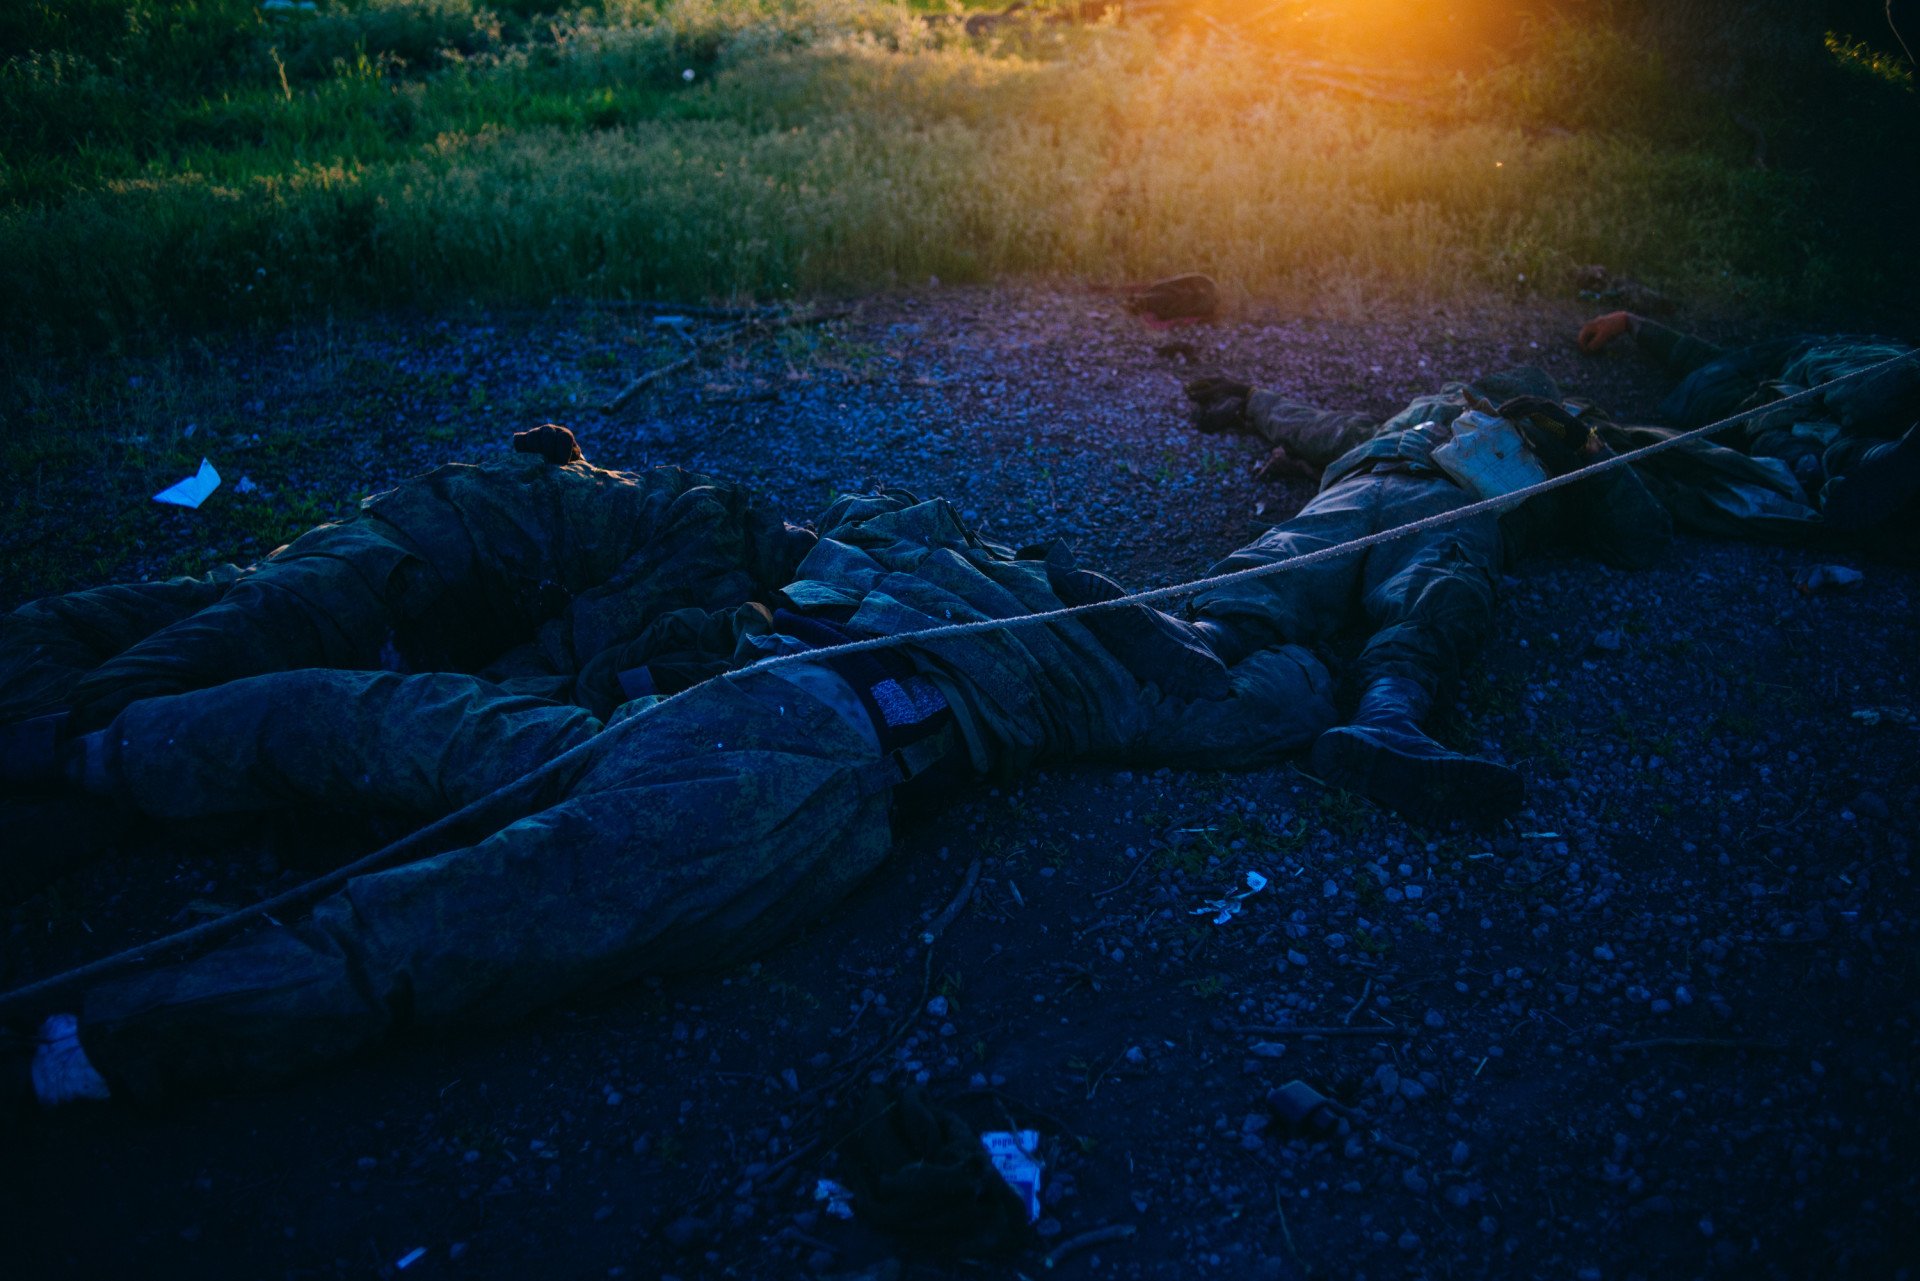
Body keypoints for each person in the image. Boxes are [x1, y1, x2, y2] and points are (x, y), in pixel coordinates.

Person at [5, 444, 1340, 1110]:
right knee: (350, 718)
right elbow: (1269, 691)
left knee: (458, 922)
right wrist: (1221, 628)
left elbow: (1268, 705)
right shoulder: (1045, 611)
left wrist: (1229, 631)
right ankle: (78, 753)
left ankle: (81, 1051)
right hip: (688, 706)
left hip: (798, 771)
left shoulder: (1089, 664)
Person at [1181, 366, 1672, 825]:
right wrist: (1251, 398)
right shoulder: (1416, 417)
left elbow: (1643, 538)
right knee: (1286, 559)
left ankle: (1387, 721)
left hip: (1462, 506)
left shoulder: (1562, 457)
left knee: (1439, 590)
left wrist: (1582, 444)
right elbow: (1323, 428)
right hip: (1364, 483)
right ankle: (1194, 642)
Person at [1576, 311, 1920, 538]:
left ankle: (1869, 455)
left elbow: (1706, 357)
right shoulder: (1739, 392)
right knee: (1810, 447)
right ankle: (1872, 455)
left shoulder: (1791, 362)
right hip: (1840, 403)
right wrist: (1629, 322)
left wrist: (1631, 323)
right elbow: (1704, 357)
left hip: (1846, 366)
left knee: (1835, 414)